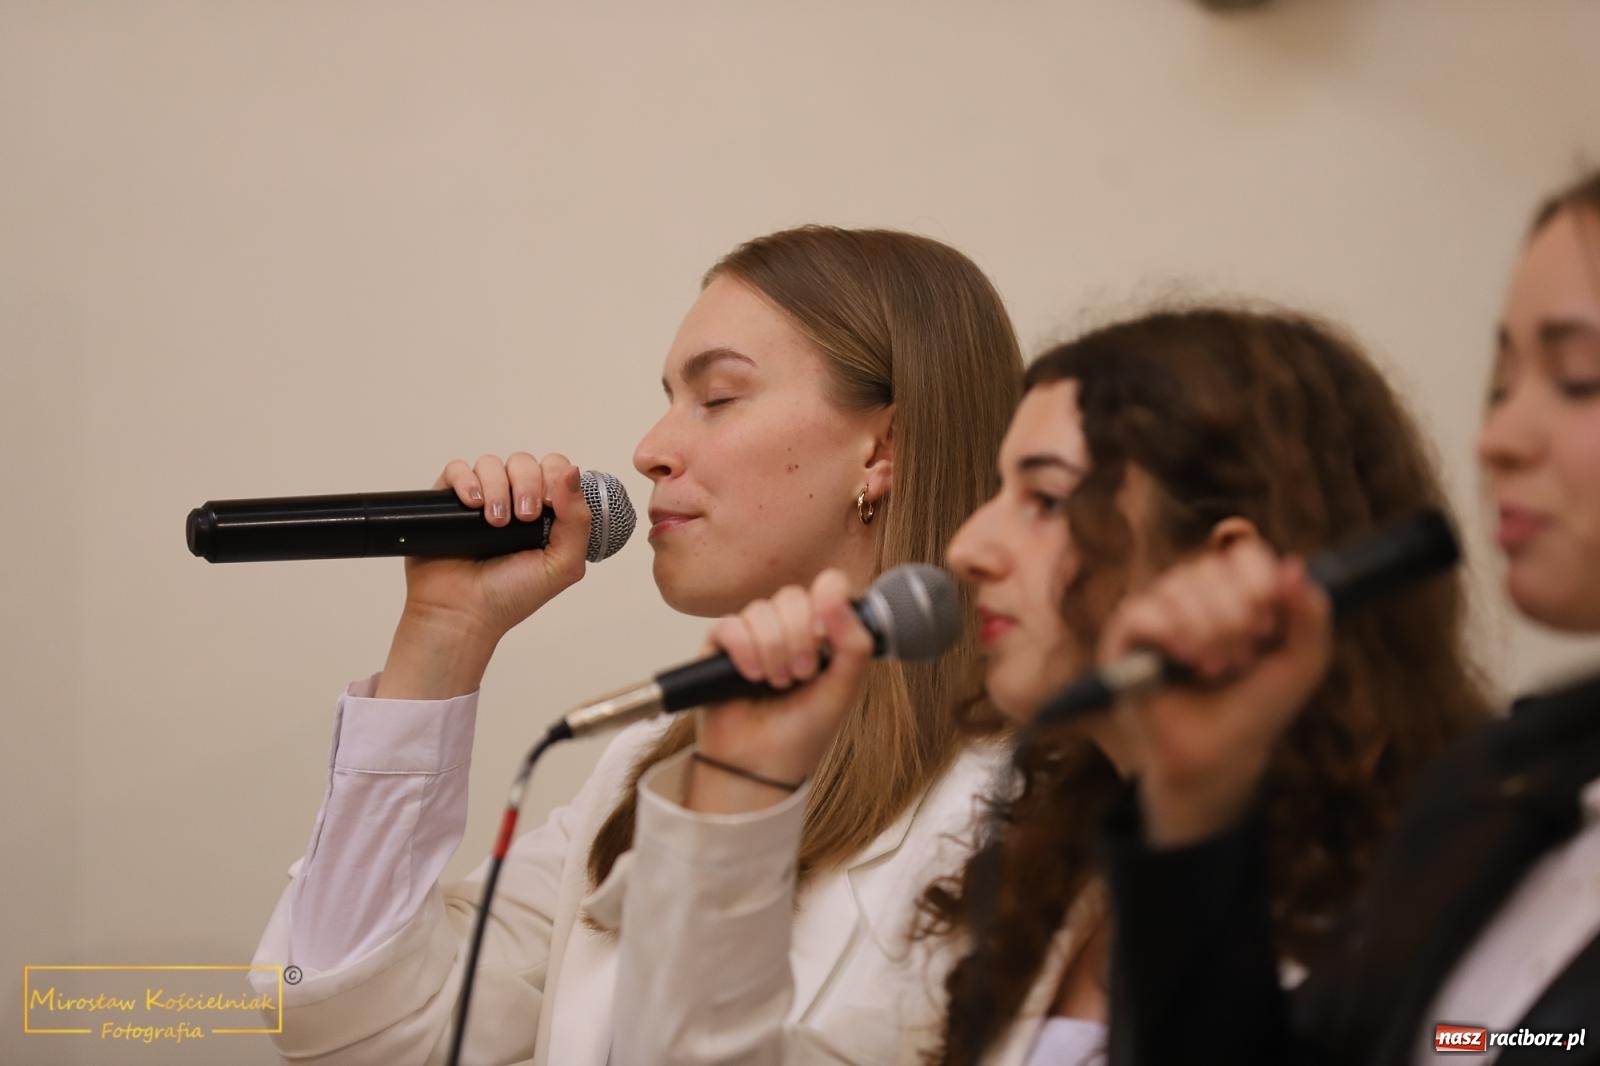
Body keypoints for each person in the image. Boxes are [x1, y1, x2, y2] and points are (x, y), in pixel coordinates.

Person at [611, 306, 1490, 1065]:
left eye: (1042, 500)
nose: (968, 548)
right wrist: (740, 797)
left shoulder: (1450, 906)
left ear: (1232, 569)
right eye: (997, 492)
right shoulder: (1032, 872)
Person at [248, 225, 1024, 1065]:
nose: (650, 451)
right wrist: (444, 635)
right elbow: (349, 1022)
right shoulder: (643, 772)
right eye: (666, 399)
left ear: (882, 448)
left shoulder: (1017, 807)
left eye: (718, 398)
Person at [1100, 171, 1600, 1066]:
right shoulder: (1510, 781)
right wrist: (1199, 803)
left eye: (1578, 379)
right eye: (1502, 381)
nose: (1498, 438)